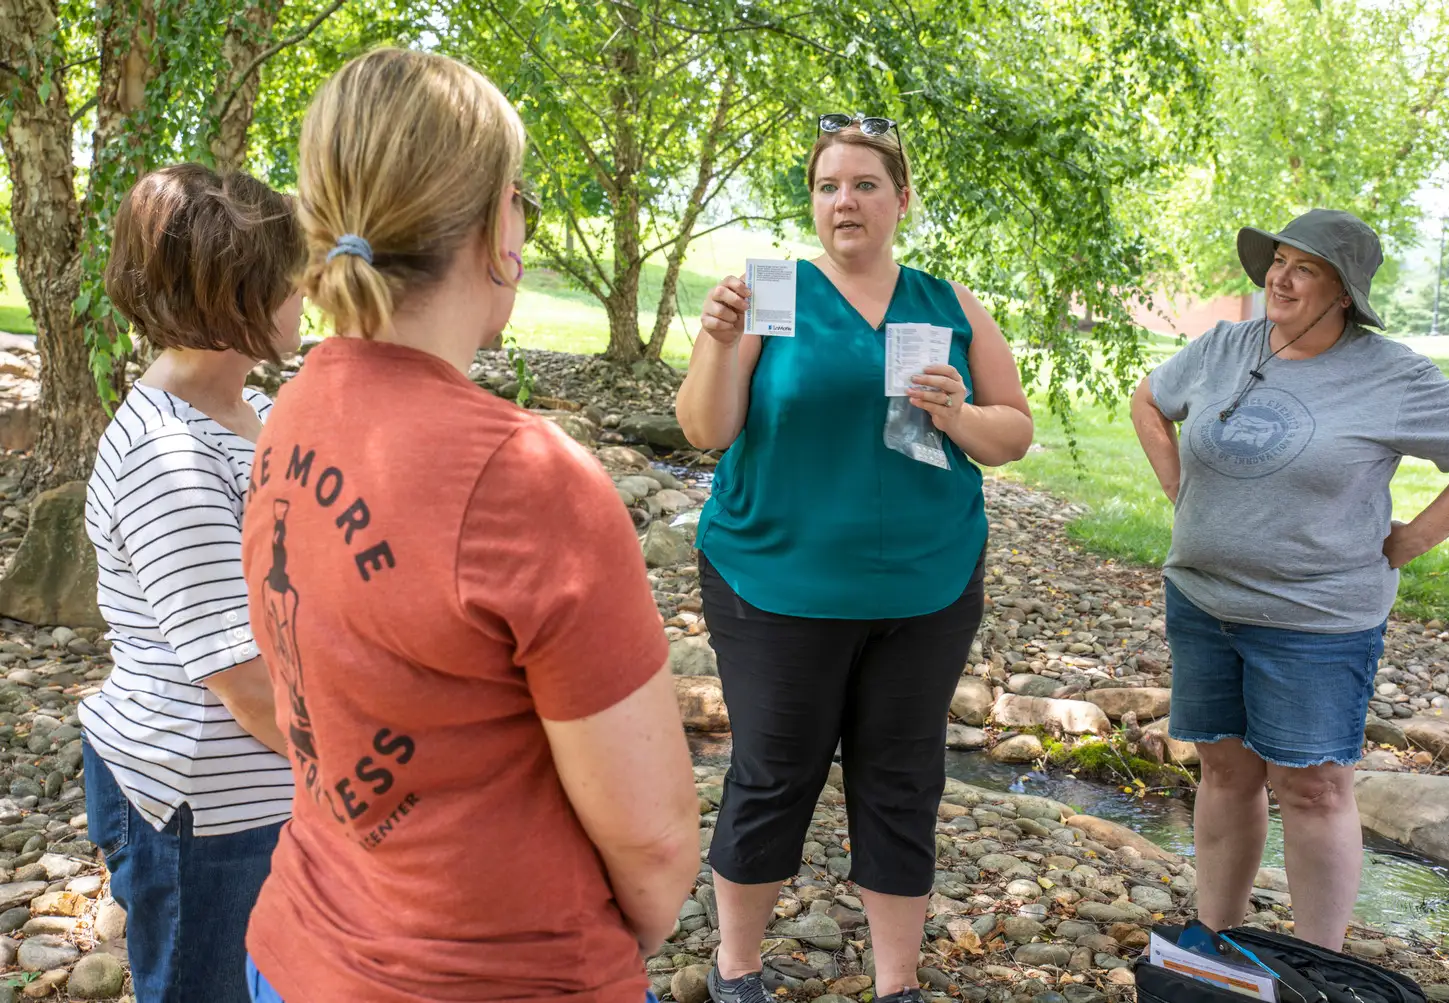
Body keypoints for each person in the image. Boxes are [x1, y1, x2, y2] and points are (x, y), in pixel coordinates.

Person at [238, 47, 700, 1003]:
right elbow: (655, 846)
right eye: (520, 197)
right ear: (497, 228)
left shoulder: (294, 407)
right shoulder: (529, 481)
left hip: (296, 951)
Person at [675, 114, 1034, 1003]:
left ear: (901, 200)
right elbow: (705, 429)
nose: (846, 201)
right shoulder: (773, 292)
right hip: (774, 580)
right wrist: (716, 341)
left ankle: (897, 982)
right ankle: (736, 970)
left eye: (866, 184)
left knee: (904, 778)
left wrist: (958, 414)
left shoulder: (948, 304)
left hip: (926, 585)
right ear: (812, 202)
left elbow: (1013, 433)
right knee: (775, 770)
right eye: (828, 186)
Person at [1130, 208, 1449, 949]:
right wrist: (1180, 492)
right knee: (1224, 773)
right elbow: (1149, 399)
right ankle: (1217, 939)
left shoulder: (1390, 373)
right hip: (1203, 600)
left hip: (1317, 620)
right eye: (1278, 260)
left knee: (1314, 788)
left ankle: (1315, 963)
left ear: (1344, 293)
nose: (1280, 277)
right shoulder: (1225, 345)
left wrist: (1414, 539)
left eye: (1305, 268)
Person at [80, 162, 303, 1003]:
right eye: (289, 277)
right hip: (202, 809)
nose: (306, 291)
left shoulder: (252, 416)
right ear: (236, 296)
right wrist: (362, 775)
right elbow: (245, 682)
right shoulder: (165, 455)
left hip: (255, 792)